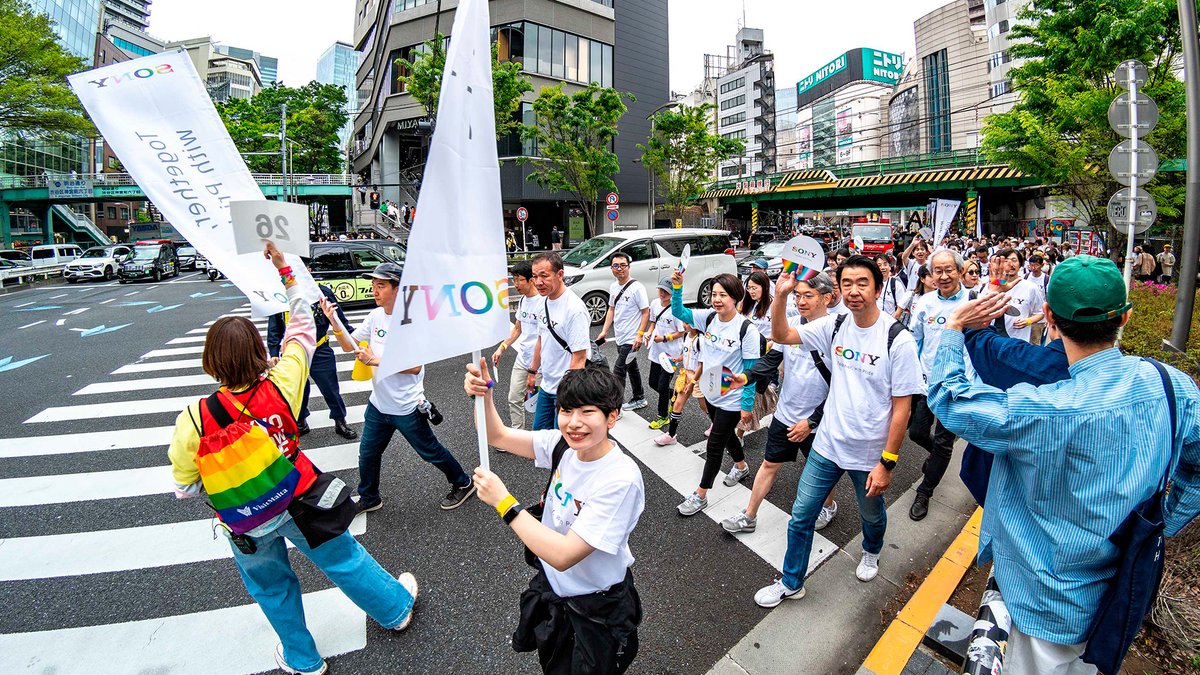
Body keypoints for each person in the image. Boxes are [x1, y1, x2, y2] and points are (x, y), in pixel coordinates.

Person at [928, 256, 1200, 673]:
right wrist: (1164, 522)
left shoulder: (1043, 409)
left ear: (1050, 318)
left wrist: (953, 328)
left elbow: (949, 398)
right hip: (1123, 586)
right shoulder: (1173, 385)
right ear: (1125, 317)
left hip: (1045, 597)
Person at [169, 242, 418, 675]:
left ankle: (304, 659)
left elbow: (186, 486)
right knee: (343, 558)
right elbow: (301, 322)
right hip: (298, 497)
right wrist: (286, 270)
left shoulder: (194, 418)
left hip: (244, 516)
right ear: (258, 351)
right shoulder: (283, 380)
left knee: (271, 587)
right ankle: (395, 610)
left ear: (211, 361)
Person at [753, 256, 923, 608]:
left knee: (871, 515)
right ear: (839, 290)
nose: (854, 290)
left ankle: (872, 550)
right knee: (801, 515)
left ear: (878, 288)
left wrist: (887, 463)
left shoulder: (897, 339)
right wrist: (781, 296)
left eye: (862, 283)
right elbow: (782, 335)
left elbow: (902, 408)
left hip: (869, 453)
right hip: (827, 445)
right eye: (847, 283)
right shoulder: (835, 325)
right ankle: (791, 581)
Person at [464, 362, 645, 674]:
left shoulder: (620, 479)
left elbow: (564, 555)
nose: (574, 423)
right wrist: (484, 396)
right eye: (566, 410)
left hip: (595, 604)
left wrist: (504, 503)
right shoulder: (562, 445)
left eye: (587, 412)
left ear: (612, 417)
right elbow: (497, 435)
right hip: (555, 591)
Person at [324, 262, 477, 512]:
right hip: (379, 405)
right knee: (368, 454)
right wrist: (334, 322)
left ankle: (463, 482)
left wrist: (374, 360)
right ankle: (369, 497)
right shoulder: (375, 316)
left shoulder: (411, 322)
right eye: (373, 285)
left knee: (430, 451)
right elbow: (349, 344)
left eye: (381, 285)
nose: (374, 290)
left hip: (406, 406)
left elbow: (414, 367)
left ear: (398, 289)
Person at [721, 273, 836, 535]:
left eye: (808, 296)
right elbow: (770, 360)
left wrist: (812, 421)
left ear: (827, 298)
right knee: (769, 464)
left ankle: (828, 506)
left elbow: (841, 387)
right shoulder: (791, 325)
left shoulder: (837, 332)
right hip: (786, 414)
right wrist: (744, 377)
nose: (801, 301)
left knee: (821, 471)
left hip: (819, 421)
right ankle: (749, 515)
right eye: (798, 295)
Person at [669, 269, 761, 516]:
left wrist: (746, 406)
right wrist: (677, 287)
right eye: (714, 294)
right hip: (711, 393)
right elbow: (679, 312)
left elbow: (751, 372)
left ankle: (701, 495)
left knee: (715, 444)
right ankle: (741, 466)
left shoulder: (746, 330)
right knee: (727, 435)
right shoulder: (708, 317)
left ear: (736, 297)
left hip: (732, 399)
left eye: (723, 295)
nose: (717, 299)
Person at [906, 250, 971, 521]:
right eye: (938, 271)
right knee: (917, 433)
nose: (943, 276)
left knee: (944, 443)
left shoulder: (972, 301)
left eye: (949, 270)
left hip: (957, 386)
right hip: (928, 382)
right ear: (931, 274)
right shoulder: (925, 302)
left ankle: (924, 491)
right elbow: (915, 339)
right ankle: (936, 458)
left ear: (960, 271)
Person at [266, 279, 359, 440]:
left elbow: (340, 320)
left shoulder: (320, 292)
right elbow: (274, 327)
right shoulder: (279, 294)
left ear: (308, 269)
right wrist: (274, 351)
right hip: (294, 353)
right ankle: (301, 421)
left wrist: (355, 339)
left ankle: (340, 421)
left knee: (330, 388)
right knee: (298, 389)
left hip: (320, 349)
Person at [527, 252, 591, 431]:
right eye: (534, 276)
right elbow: (541, 340)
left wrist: (568, 395)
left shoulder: (574, 309)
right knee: (539, 435)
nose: (538, 282)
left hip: (565, 390)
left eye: (544, 276)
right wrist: (532, 372)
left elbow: (579, 357)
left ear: (560, 274)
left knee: (562, 439)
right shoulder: (543, 302)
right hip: (546, 386)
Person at [595, 252, 650, 411]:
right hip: (620, 336)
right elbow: (611, 309)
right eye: (616, 266)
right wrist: (604, 331)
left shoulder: (637, 288)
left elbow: (645, 312)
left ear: (628, 267)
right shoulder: (613, 286)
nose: (619, 269)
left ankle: (615, 408)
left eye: (623, 265)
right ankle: (639, 398)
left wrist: (640, 335)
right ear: (611, 268)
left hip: (631, 339)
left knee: (618, 371)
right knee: (632, 368)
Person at [492, 261, 542, 430]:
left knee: (540, 404)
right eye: (514, 280)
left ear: (531, 280)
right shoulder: (522, 300)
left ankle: (542, 437)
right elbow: (517, 329)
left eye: (519, 280)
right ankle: (517, 433)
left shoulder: (543, 302)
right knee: (514, 398)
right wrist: (502, 348)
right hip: (522, 360)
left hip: (540, 364)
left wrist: (533, 370)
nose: (516, 284)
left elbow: (545, 338)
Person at [655, 326, 707, 446]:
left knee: (704, 406)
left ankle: (717, 425)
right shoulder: (687, 335)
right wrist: (678, 358)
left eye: (687, 322)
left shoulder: (701, 340)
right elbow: (686, 353)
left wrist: (693, 382)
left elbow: (701, 365)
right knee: (677, 404)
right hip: (685, 374)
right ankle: (671, 435)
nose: (684, 325)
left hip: (698, 377)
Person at [647, 278, 686, 430]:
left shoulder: (676, 310)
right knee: (653, 383)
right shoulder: (655, 303)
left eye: (666, 292)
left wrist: (664, 338)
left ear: (672, 294)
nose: (662, 294)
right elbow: (653, 322)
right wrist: (649, 333)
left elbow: (681, 332)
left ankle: (663, 417)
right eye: (661, 290)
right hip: (656, 351)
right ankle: (674, 395)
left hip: (671, 354)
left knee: (662, 386)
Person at [989, 248, 1044, 343]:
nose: (1010, 264)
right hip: (994, 341)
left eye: (1014, 260)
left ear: (1020, 264)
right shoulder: (991, 286)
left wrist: (1028, 321)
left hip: (1019, 342)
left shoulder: (1030, 287)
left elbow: (1040, 313)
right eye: (1006, 260)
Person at [1023, 253, 1052, 344]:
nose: (1033, 268)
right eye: (1031, 265)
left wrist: (1048, 317)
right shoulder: (1025, 277)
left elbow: (1048, 298)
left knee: (1036, 341)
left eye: (1036, 265)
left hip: (1040, 316)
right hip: (1026, 315)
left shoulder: (1046, 279)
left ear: (1042, 265)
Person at [740, 270, 774, 338]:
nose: (751, 291)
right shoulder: (745, 304)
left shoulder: (774, 305)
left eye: (754, 288)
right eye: (748, 288)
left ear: (765, 287)